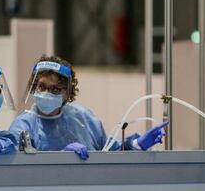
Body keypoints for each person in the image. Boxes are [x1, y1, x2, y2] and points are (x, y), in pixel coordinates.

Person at [9, 55, 168, 160]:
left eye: (55, 89)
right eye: (42, 87)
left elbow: (107, 151)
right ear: (33, 86)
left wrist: (137, 144)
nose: (47, 93)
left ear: (67, 93)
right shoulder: (23, 127)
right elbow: (19, 174)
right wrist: (60, 159)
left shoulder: (84, 118)